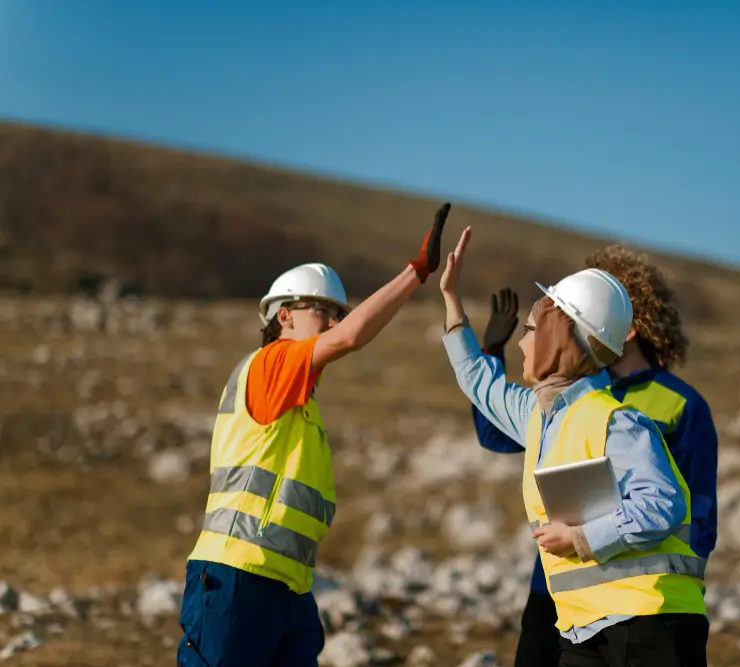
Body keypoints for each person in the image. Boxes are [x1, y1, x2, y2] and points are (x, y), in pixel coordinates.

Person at [176, 203, 453, 667]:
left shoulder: (303, 409)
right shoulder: (271, 364)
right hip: (237, 577)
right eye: (322, 310)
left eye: (337, 312)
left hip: (288, 587)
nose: (333, 322)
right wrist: (416, 273)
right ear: (284, 317)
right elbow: (350, 339)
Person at [440, 227, 709, 667]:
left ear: (559, 338)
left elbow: (663, 503)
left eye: (531, 329)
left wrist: (582, 538)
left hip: (650, 624)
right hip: (586, 628)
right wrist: (451, 301)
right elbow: (479, 382)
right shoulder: (537, 415)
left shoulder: (619, 420)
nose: (522, 341)